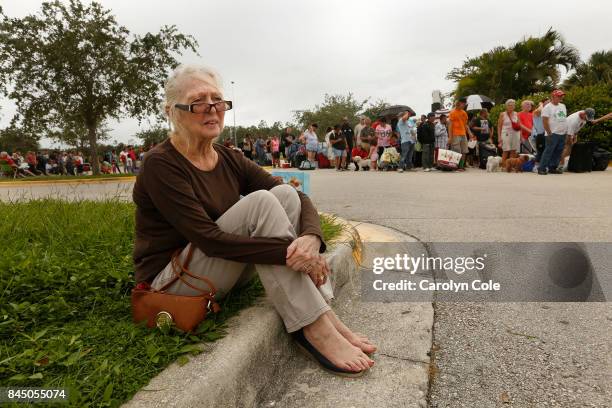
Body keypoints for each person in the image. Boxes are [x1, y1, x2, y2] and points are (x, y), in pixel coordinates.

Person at [133, 64, 375, 376]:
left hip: (218, 268)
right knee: (261, 202)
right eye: (198, 102)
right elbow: (209, 239)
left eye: (218, 100)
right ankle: (314, 327)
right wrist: (293, 256)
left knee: (284, 195)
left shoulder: (228, 157)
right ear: (172, 111)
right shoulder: (161, 164)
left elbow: (297, 197)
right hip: (174, 282)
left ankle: (323, 314)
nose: (212, 109)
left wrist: (311, 241)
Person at [539, 89, 568, 175]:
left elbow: (564, 119)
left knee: (558, 151)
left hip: (562, 133)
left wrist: (565, 131)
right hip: (552, 133)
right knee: (549, 151)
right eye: (559, 96)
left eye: (561, 96)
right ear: (553, 97)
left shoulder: (563, 106)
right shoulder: (547, 107)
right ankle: (542, 168)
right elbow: (544, 121)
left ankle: (553, 167)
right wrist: (549, 132)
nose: (561, 97)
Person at [448, 98, 474, 171]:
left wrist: (469, 133)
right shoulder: (452, 112)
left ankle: (461, 166)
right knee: (457, 151)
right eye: (464, 103)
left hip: (463, 134)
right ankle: (456, 166)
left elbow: (465, 124)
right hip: (455, 134)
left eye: (465, 104)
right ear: (459, 103)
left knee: (464, 151)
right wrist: (450, 137)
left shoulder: (464, 113)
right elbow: (450, 125)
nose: (465, 105)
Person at [497, 99, 521, 166]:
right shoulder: (502, 114)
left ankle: (510, 166)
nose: (511, 107)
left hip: (515, 134)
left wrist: (521, 136)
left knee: (513, 150)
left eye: (513, 105)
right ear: (506, 106)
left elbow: (519, 125)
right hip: (506, 133)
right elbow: (499, 126)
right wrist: (499, 137)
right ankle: (503, 165)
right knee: (506, 150)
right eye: (509, 105)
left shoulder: (517, 114)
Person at [532, 98, 550, 163]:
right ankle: (536, 166)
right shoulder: (537, 111)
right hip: (539, 135)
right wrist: (541, 104)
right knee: (540, 151)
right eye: (547, 102)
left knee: (546, 151)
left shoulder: (548, 112)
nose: (549, 103)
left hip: (547, 134)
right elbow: (539, 110)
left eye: (549, 102)